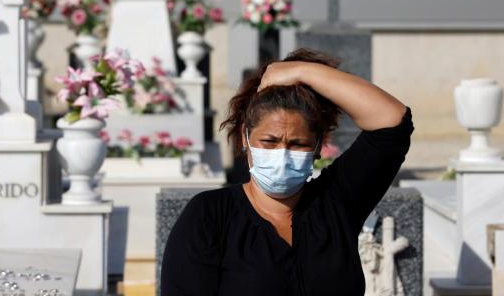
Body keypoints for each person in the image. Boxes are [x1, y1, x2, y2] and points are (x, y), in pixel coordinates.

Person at [160, 48, 413, 296]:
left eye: (298, 144)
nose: (282, 154)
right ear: (245, 138)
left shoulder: (336, 203)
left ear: (317, 147)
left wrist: (302, 71)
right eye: (269, 141)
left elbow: (392, 121)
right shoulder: (210, 215)